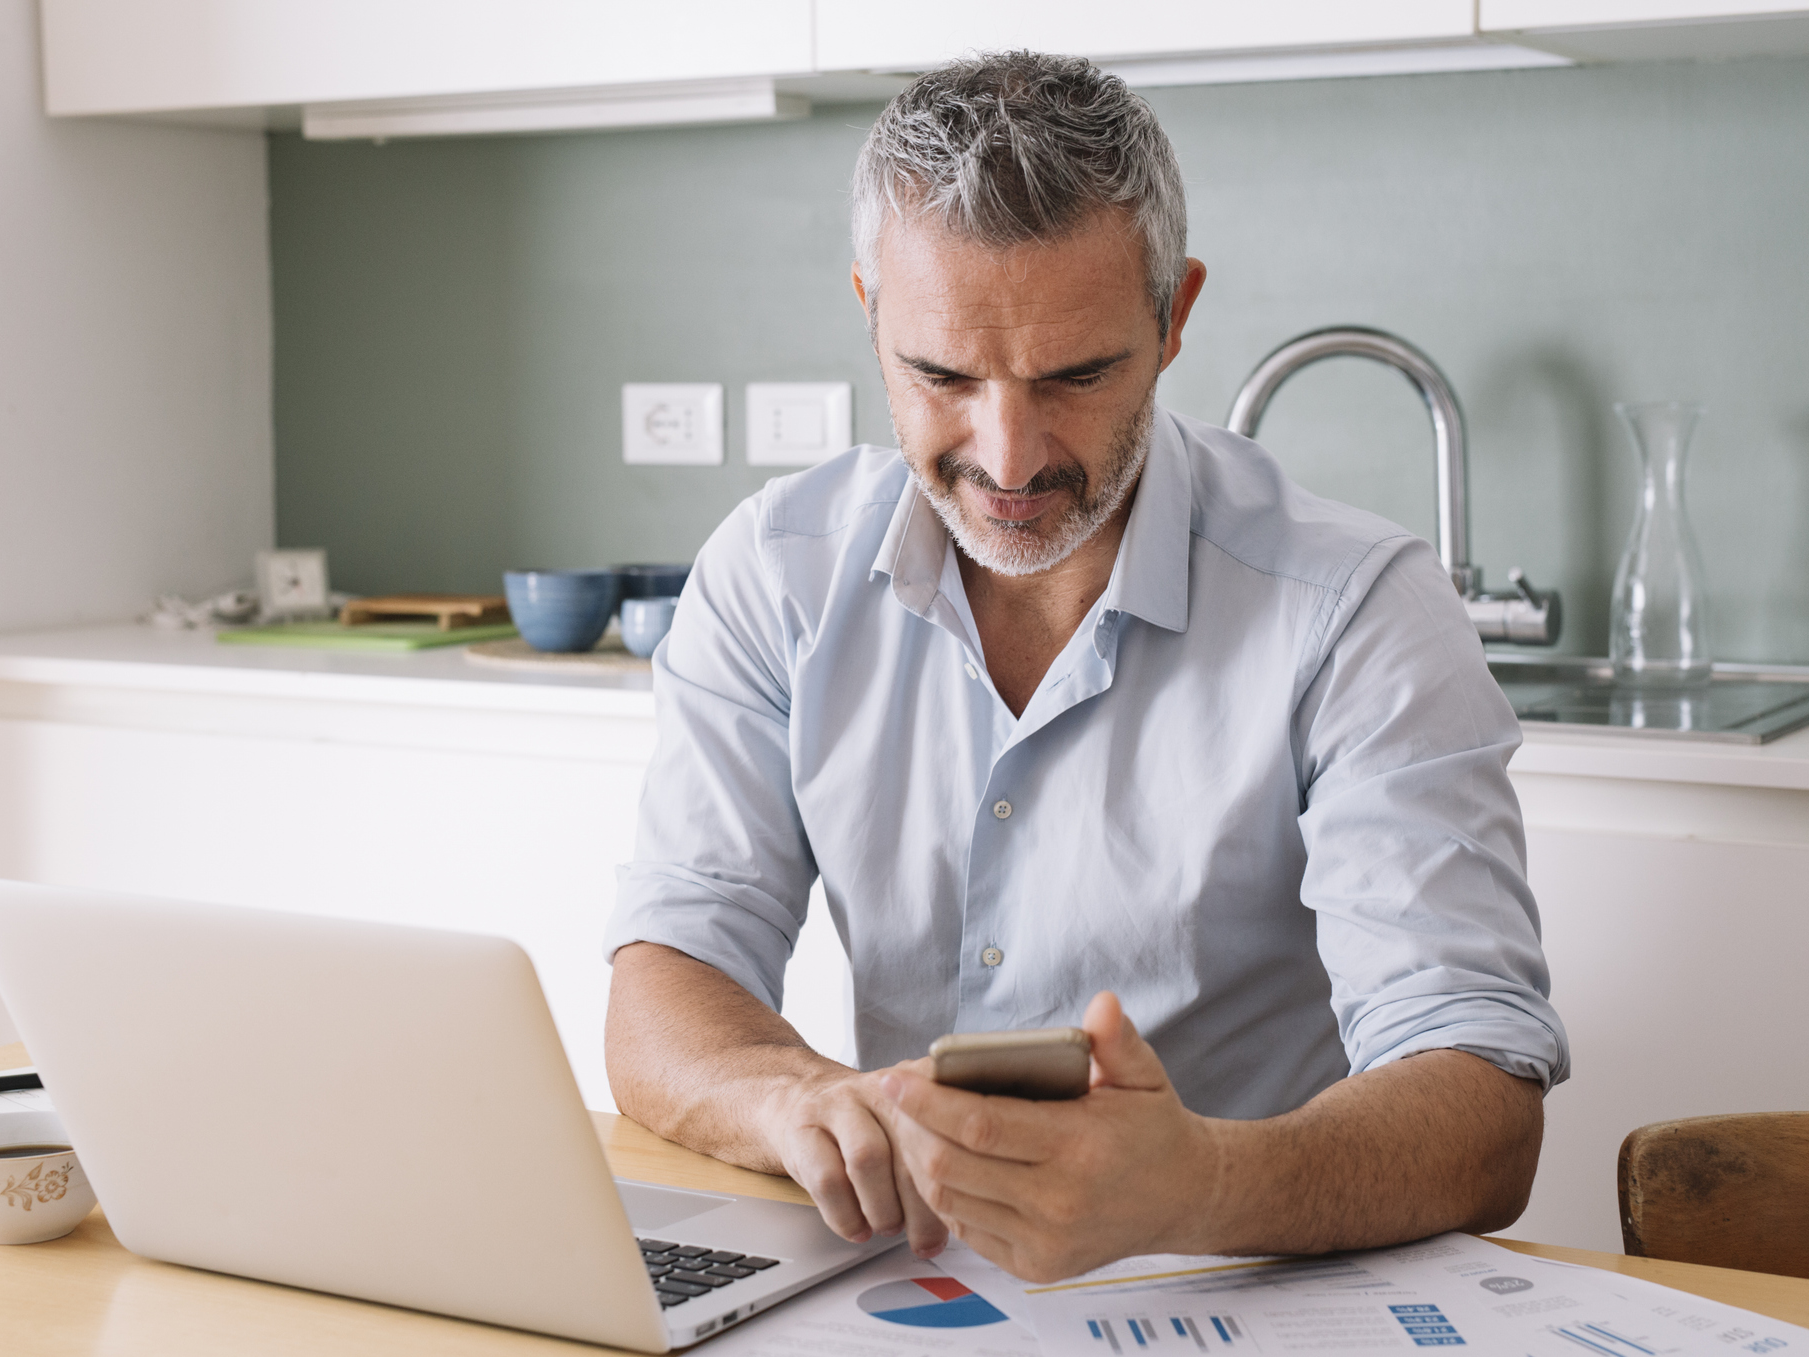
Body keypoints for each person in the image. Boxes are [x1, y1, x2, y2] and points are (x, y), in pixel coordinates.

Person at [603, 51, 1569, 1283]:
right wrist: (783, 1098)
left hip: (1252, 1292)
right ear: (870, 313)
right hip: (910, 1293)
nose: (1008, 458)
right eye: (942, 376)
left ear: (1174, 317)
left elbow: (1483, 1106)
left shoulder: (1360, 610)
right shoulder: (774, 572)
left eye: (1076, 376)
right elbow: (668, 978)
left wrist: (1200, 1185)